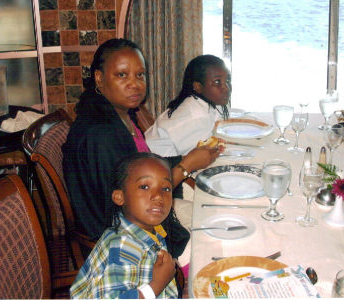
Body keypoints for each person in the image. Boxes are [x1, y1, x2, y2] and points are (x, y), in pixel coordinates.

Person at [62, 39, 220, 259]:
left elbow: (139, 168)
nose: (134, 84)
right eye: (122, 75)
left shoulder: (121, 113)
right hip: (128, 240)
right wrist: (186, 166)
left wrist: (187, 158)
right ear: (99, 78)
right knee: (217, 244)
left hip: (144, 215)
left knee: (218, 213)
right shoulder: (101, 134)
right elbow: (132, 202)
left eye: (140, 75)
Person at [70, 152, 179, 299]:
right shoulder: (124, 246)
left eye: (166, 188)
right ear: (119, 197)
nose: (159, 196)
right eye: (145, 186)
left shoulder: (148, 230)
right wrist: (157, 284)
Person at [145, 54, 231, 156]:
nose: (226, 88)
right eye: (217, 82)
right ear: (198, 86)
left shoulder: (197, 101)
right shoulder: (198, 117)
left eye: (228, 80)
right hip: (159, 163)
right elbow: (197, 159)